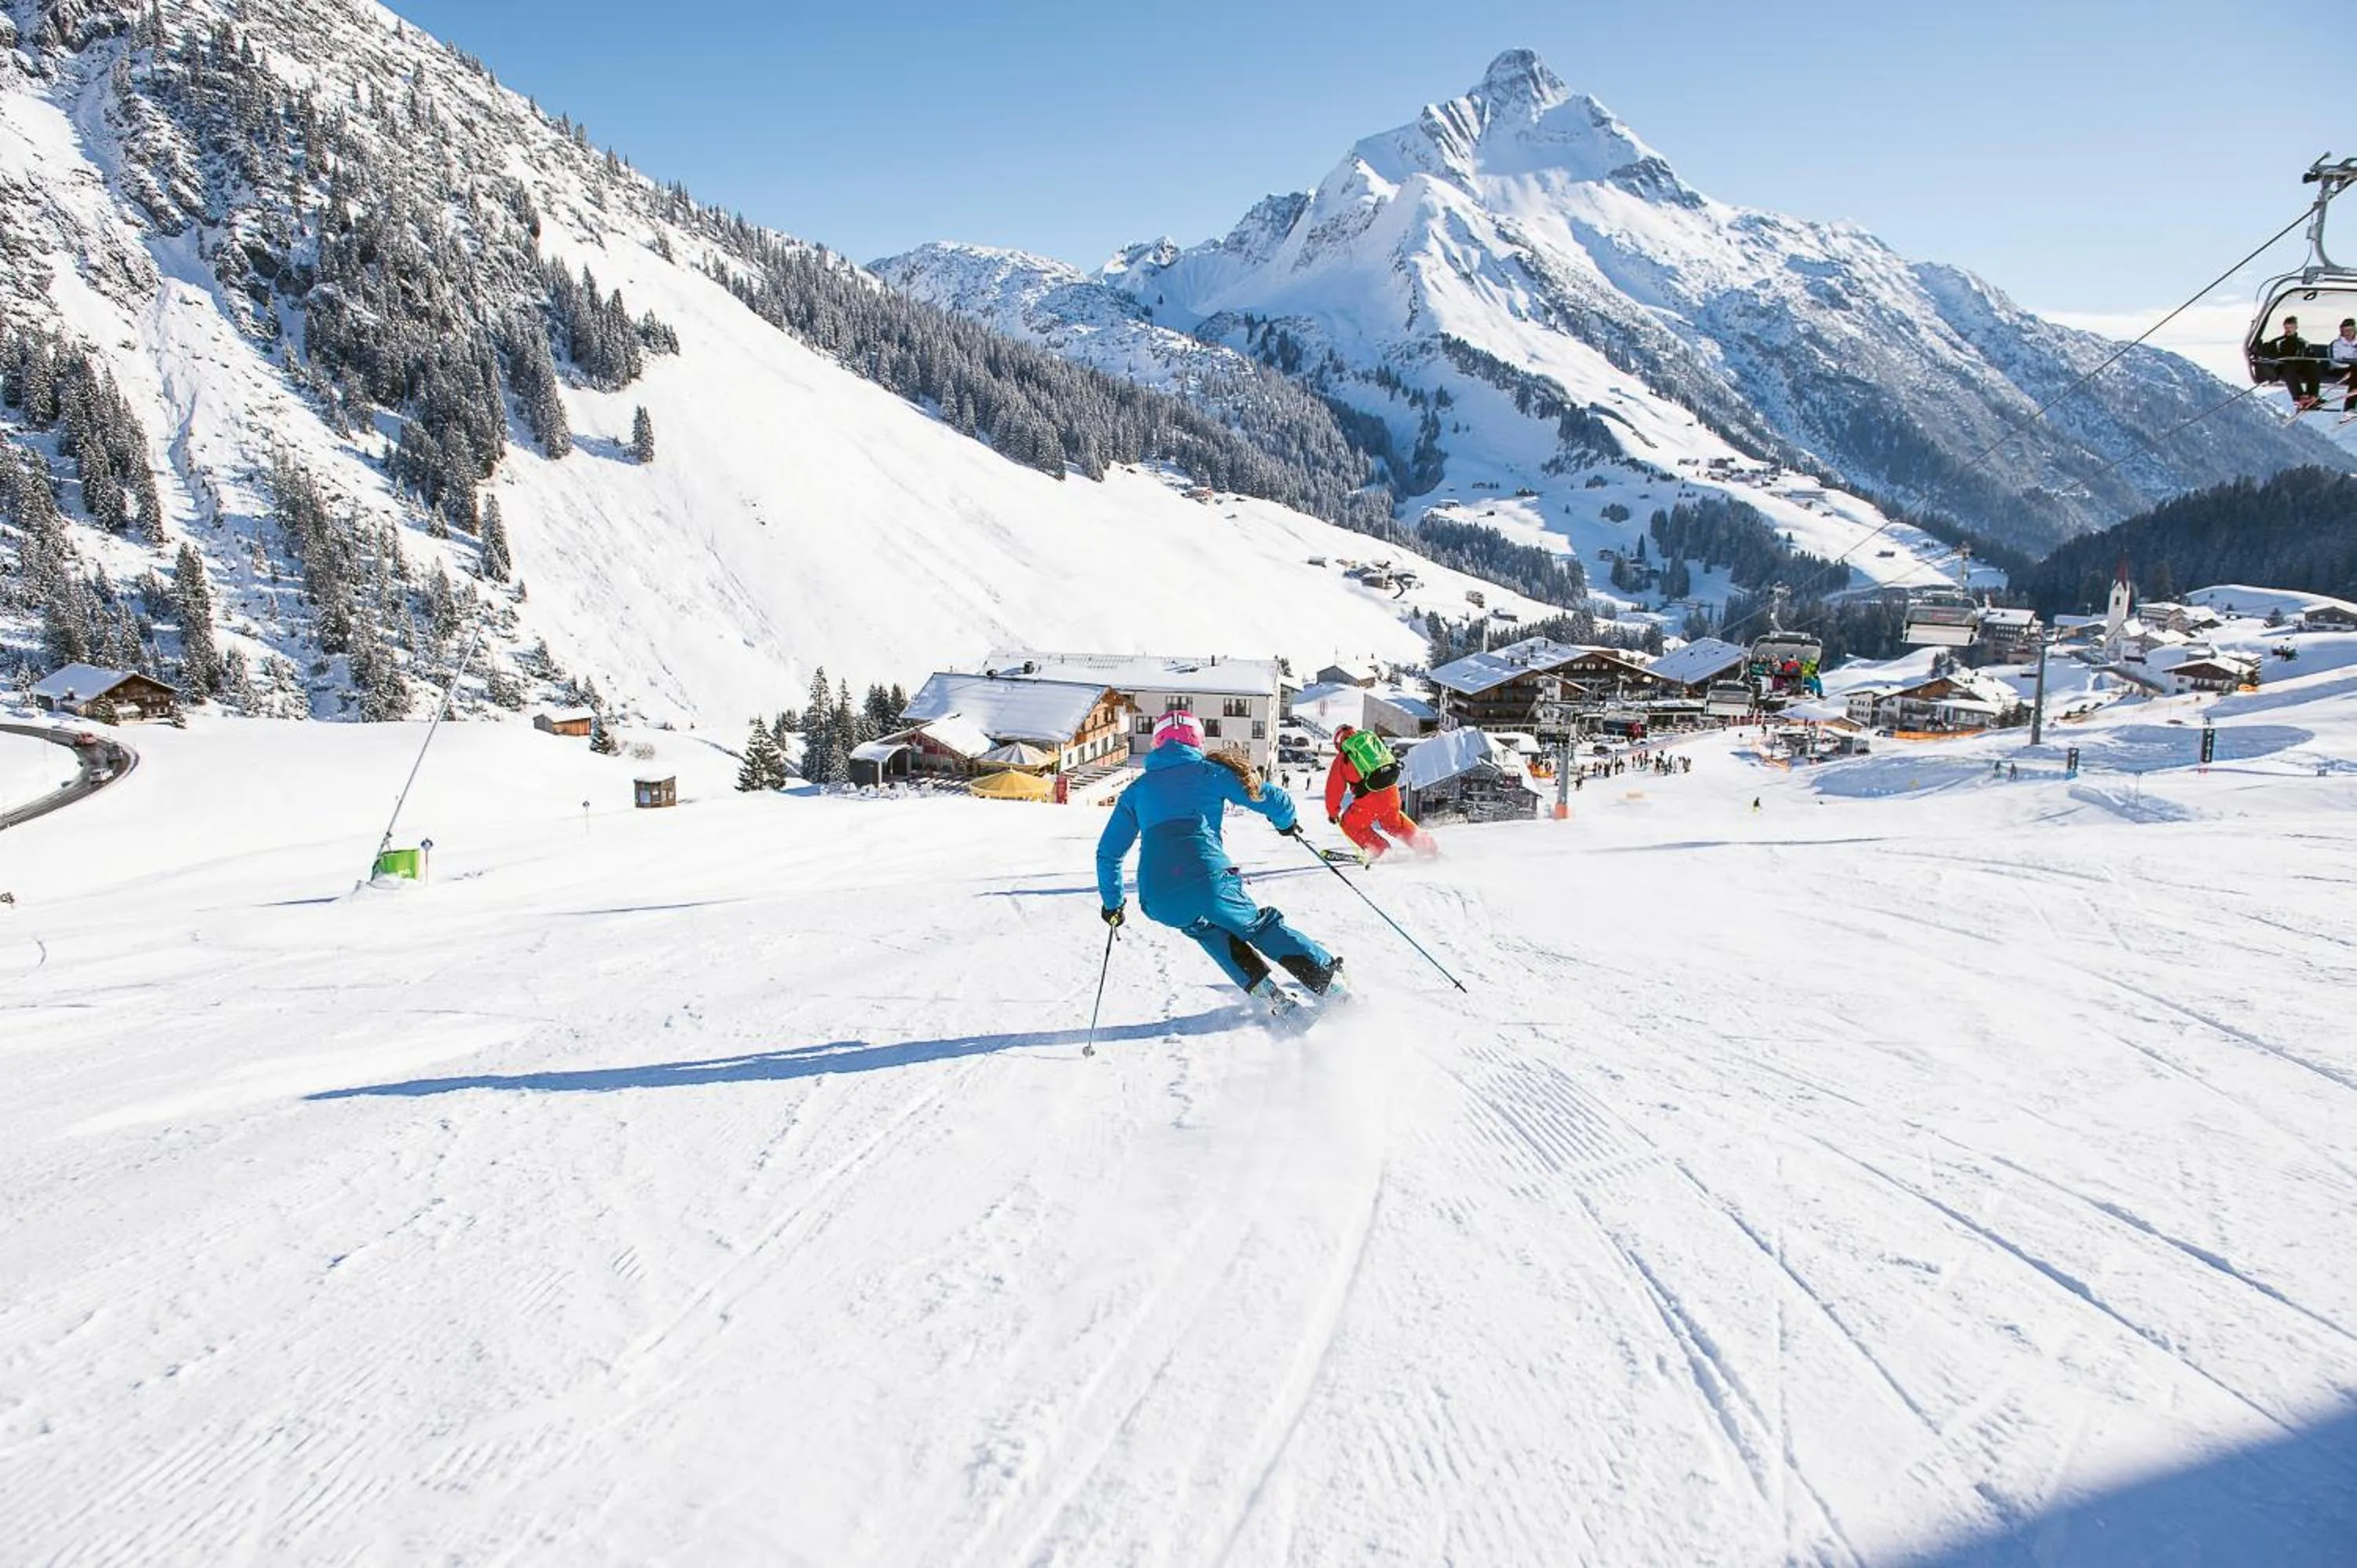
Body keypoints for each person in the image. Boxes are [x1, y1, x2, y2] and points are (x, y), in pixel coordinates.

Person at [1097, 711, 1343, 1016]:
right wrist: (1287, 822)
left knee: (1205, 928)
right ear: (1198, 741)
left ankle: (1268, 995)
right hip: (1209, 878)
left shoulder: (1136, 791)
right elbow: (1269, 797)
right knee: (1256, 927)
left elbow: (1108, 854)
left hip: (1158, 896)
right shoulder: (1209, 772)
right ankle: (1328, 985)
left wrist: (1113, 903)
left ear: (1157, 743)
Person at [1323, 725, 1436, 862]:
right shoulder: (1372, 745)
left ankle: (1381, 851)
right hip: (1392, 793)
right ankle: (1428, 848)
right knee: (1395, 824)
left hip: (1369, 801)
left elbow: (1333, 790)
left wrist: (1333, 813)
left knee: (1351, 825)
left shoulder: (1343, 758)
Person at [2263, 316, 2323, 410]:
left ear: (2296, 327)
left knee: (2314, 366)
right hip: (2285, 367)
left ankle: (2312, 395)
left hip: (2300, 366)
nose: (2288, 330)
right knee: (2289, 367)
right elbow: (2269, 353)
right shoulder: (2279, 342)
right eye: (2287, 328)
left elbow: (2310, 355)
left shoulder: (2302, 342)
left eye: (2291, 327)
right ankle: (2299, 397)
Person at [2330, 317, 2357, 414]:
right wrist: (2350, 362)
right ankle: (2349, 407)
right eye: (2346, 331)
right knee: (2355, 371)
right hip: (2341, 369)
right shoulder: (2337, 344)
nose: (2348, 333)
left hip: (2354, 370)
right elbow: (2335, 361)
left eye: (2350, 330)